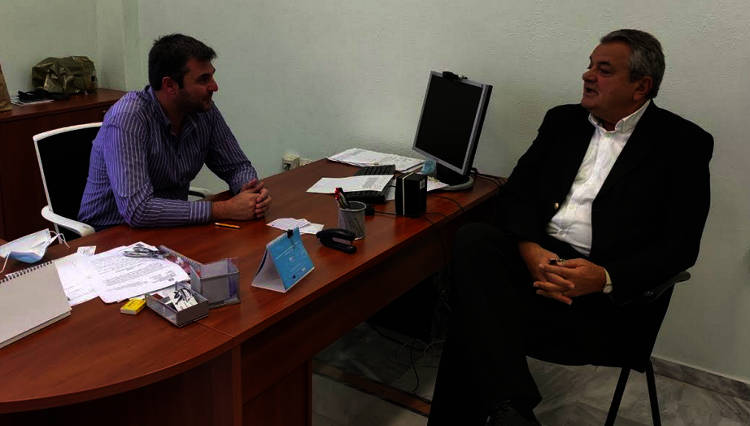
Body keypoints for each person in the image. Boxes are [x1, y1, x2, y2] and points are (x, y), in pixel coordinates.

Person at [427, 29, 713, 425]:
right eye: (589, 66)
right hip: (538, 270)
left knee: (472, 318)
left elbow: (680, 247)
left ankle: (508, 408)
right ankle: (512, 407)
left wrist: (604, 278)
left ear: (641, 86)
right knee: (474, 239)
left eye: (604, 70)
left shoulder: (683, 144)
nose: (587, 75)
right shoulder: (563, 121)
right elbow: (515, 195)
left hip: (604, 304)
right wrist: (530, 250)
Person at [79, 34, 270, 230]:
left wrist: (250, 192)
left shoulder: (203, 111)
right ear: (170, 85)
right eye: (203, 79)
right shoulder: (128, 118)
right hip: (110, 235)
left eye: (212, 75)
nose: (214, 86)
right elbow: (138, 210)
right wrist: (223, 209)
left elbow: (237, 166)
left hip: (169, 228)